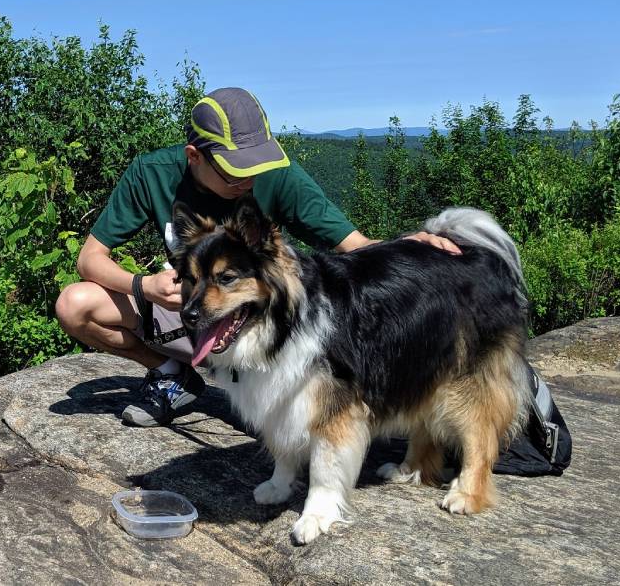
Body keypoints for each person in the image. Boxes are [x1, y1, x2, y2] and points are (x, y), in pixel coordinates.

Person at [54, 87, 460, 427]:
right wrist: (145, 287)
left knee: (289, 438)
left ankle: (252, 383)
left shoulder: (275, 175)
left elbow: (354, 245)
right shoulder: (152, 173)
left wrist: (409, 247)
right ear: (194, 156)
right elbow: (90, 259)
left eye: (254, 167)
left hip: (254, 327)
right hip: (186, 310)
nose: (247, 180)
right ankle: (172, 373)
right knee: (75, 305)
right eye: (233, 171)